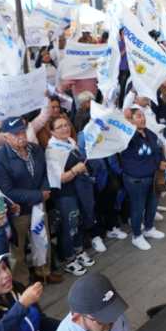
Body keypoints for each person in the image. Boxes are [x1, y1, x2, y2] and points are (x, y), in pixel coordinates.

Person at [0, 117, 60, 286]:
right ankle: (22, 283)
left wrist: (45, 190)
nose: (21, 136)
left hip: (39, 205)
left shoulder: (35, 149)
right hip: (18, 211)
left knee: (42, 240)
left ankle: (44, 272)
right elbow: (8, 191)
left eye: (23, 132)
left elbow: (45, 173)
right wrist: (38, 195)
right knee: (18, 250)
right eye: (16, 134)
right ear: (6, 137)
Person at [45, 115, 95, 277]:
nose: (65, 128)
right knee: (68, 226)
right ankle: (69, 259)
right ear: (52, 132)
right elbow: (58, 178)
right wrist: (75, 170)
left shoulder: (71, 142)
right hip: (65, 194)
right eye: (59, 127)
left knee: (78, 222)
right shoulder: (52, 151)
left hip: (79, 191)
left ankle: (78, 251)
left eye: (66, 125)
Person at [43, 272, 133, 331]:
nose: (111, 323)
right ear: (77, 318)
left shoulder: (108, 310)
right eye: (101, 320)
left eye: (113, 312)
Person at [119, 106, 166, 251]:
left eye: (143, 115)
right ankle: (137, 236)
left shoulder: (149, 133)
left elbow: (158, 149)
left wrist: (163, 160)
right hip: (137, 181)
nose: (143, 118)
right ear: (130, 120)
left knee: (153, 204)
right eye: (139, 116)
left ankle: (149, 228)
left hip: (154, 176)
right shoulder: (127, 136)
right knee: (138, 208)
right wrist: (127, 123)